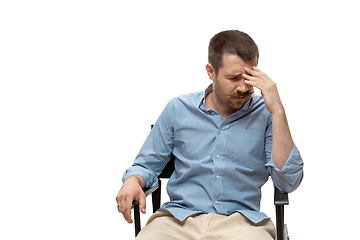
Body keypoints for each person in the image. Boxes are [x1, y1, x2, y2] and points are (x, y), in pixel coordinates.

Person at [116, 30, 304, 240]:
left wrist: (277, 110)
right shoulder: (178, 109)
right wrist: (133, 179)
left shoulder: (266, 114)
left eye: (249, 78)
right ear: (210, 71)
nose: (243, 87)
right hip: (177, 222)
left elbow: (288, 182)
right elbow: (146, 165)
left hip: (242, 224)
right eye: (233, 78)